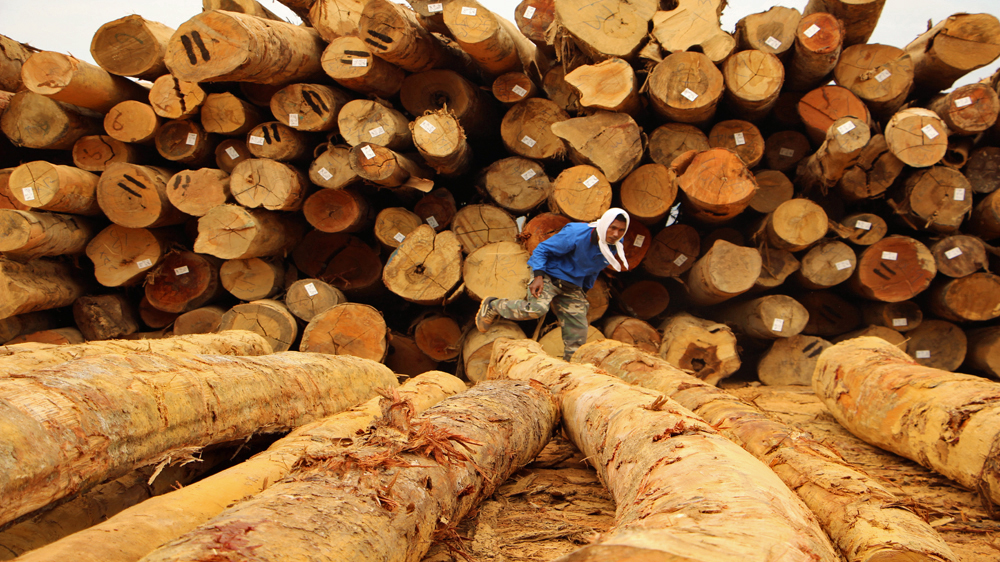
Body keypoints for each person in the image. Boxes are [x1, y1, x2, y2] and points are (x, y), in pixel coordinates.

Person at [475, 208, 630, 361]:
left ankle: (571, 370)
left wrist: (584, 290)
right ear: (604, 224)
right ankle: (494, 305)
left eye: (621, 230)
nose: (616, 234)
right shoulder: (576, 234)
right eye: (613, 228)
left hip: (572, 285)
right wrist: (538, 276)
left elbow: (594, 268)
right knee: (537, 309)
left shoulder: (614, 244)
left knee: (578, 333)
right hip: (549, 276)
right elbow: (542, 250)